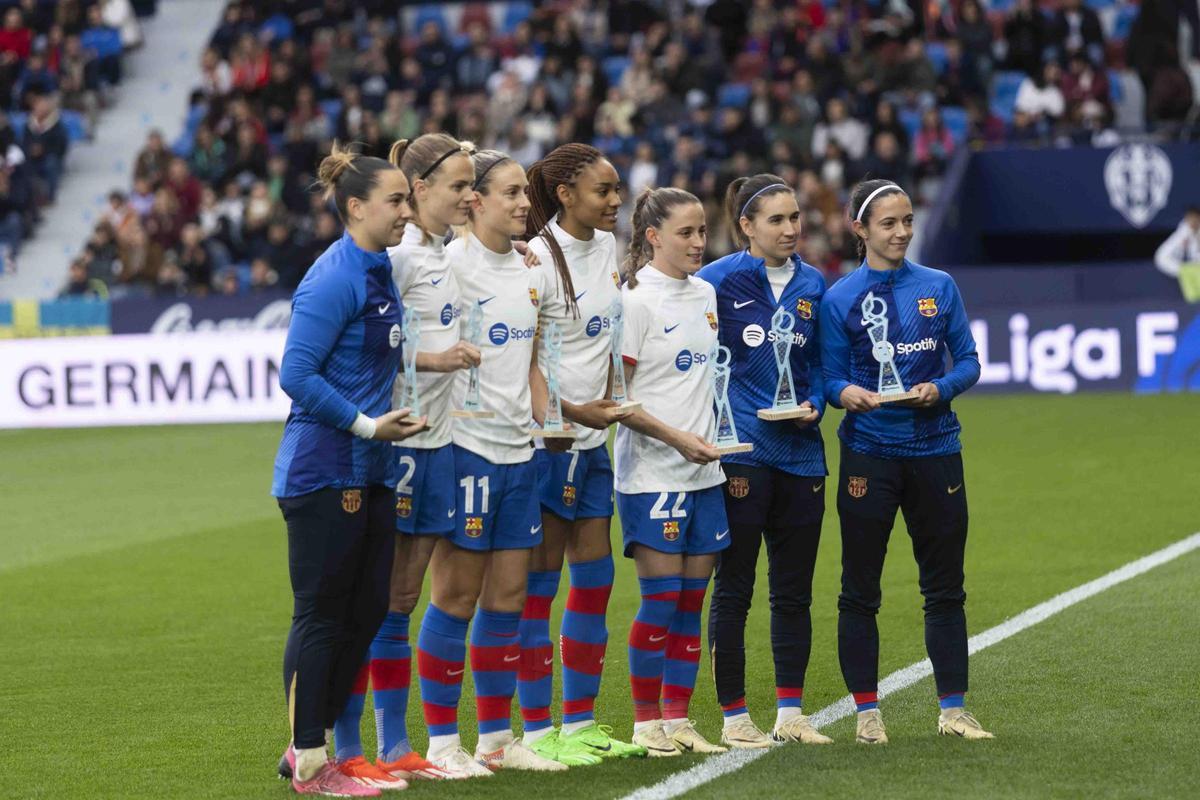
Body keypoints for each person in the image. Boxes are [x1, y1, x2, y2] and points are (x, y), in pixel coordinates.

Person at [272, 142, 427, 797]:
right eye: (395, 200)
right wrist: (367, 424)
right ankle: (312, 759)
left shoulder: (380, 267)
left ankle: (310, 749)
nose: (406, 211)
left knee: (365, 613)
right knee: (322, 616)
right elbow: (295, 374)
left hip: (372, 469)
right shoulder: (334, 275)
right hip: (324, 470)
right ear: (356, 207)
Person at [326, 132, 480, 782]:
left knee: (403, 598)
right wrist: (435, 359)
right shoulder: (400, 258)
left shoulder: (444, 253)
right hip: (404, 441)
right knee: (377, 598)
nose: (469, 196)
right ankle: (346, 743)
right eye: (459, 186)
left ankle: (394, 746)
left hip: (441, 437)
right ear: (419, 191)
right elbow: (373, 343)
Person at [818, 179, 990, 745]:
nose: (902, 233)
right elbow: (829, 376)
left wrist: (939, 389)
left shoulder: (939, 287)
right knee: (859, 589)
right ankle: (868, 713)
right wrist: (845, 394)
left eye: (908, 221)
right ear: (860, 229)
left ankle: (954, 710)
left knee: (945, 588)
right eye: (889, 223)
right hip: (870, 454)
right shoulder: (840, 297)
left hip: (938, 449)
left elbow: (967, 360)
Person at [419, 146, 566, 773]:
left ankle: (498, 742)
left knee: (509, 597)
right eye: (511, 193)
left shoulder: (534, 270)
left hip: (520, 453)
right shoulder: (449, 267)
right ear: (473, 200)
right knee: (456, 596)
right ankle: (441, 744)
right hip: (465, 450)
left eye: (525, 194)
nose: (524, 203)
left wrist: (548, 419)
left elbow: (532, 361)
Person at [516, 143, 645, 764]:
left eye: (618, 189)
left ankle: (581, 723)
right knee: (538, 588)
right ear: (565, 193)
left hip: (595, 441)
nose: (615, 200)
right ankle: (537, 731)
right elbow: (522, 359)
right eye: (603, 191)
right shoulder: (536, 259)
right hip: (548, 443)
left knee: (594, 581)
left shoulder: (607, 249)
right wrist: (568, 414)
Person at [695, 175, 832, 749]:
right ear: (746, 226)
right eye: (776, 220)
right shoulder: (714, 282)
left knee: (794, 592)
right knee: (734, 588)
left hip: (802, 456)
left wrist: (816, 405)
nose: (791, 229)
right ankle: (733, 717)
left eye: (795, 217)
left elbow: (823, 365)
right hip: (743, 456)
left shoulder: (815, 284)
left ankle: (791, 713)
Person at [616, 187, 729, 756]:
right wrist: (676, 438)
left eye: (702, 231)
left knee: (691, 601)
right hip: (652, 474)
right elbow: (618, 398)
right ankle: (644, 723)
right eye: (685, 233)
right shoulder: (635, 301)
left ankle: (678, 719)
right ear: (653, 236)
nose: (697, 243)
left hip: (705, 472)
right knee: (660, 601)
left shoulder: (706, 293)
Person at [1154, 206, 1200, 279]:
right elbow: (1161, 258)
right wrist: (1185, 270)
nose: (1192, 222)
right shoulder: (1183, 231)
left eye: (1195, 218)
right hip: (1185, 269)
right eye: (1189, 219)